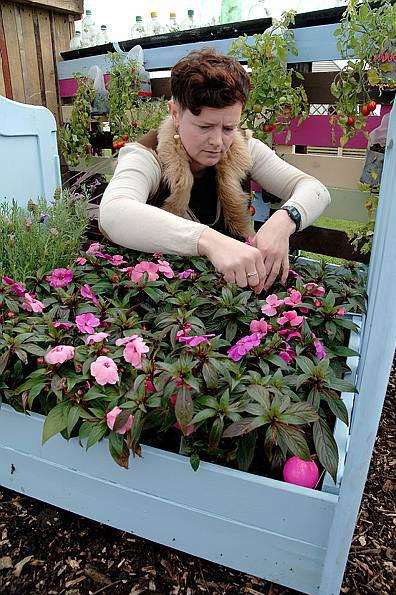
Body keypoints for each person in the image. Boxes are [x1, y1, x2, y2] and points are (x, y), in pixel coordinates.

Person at [99, 48, 330, 293]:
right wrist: (210, 241)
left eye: (229, 128)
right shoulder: (146, 156)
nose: (218, 141)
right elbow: (114, 213)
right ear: (175, 113)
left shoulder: (244, 148)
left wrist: (285, 221)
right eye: (205, 126)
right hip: (160, 297)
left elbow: (315, 190)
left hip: (227, 297)